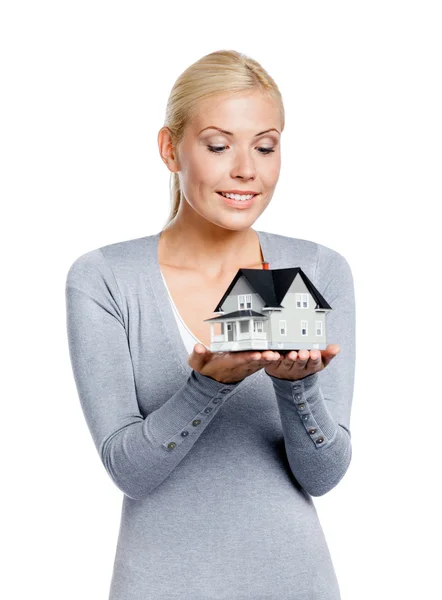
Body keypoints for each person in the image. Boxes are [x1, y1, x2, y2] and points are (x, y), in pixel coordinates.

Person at [65, 49, 356, 600]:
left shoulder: (318, 271)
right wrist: (208, 386)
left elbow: (322, 475)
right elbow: (130, 472)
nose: (246, 168)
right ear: (170, 149)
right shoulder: (105, 277)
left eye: (265, 146)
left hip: (296, 584)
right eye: (219, 145)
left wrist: (298, 388)